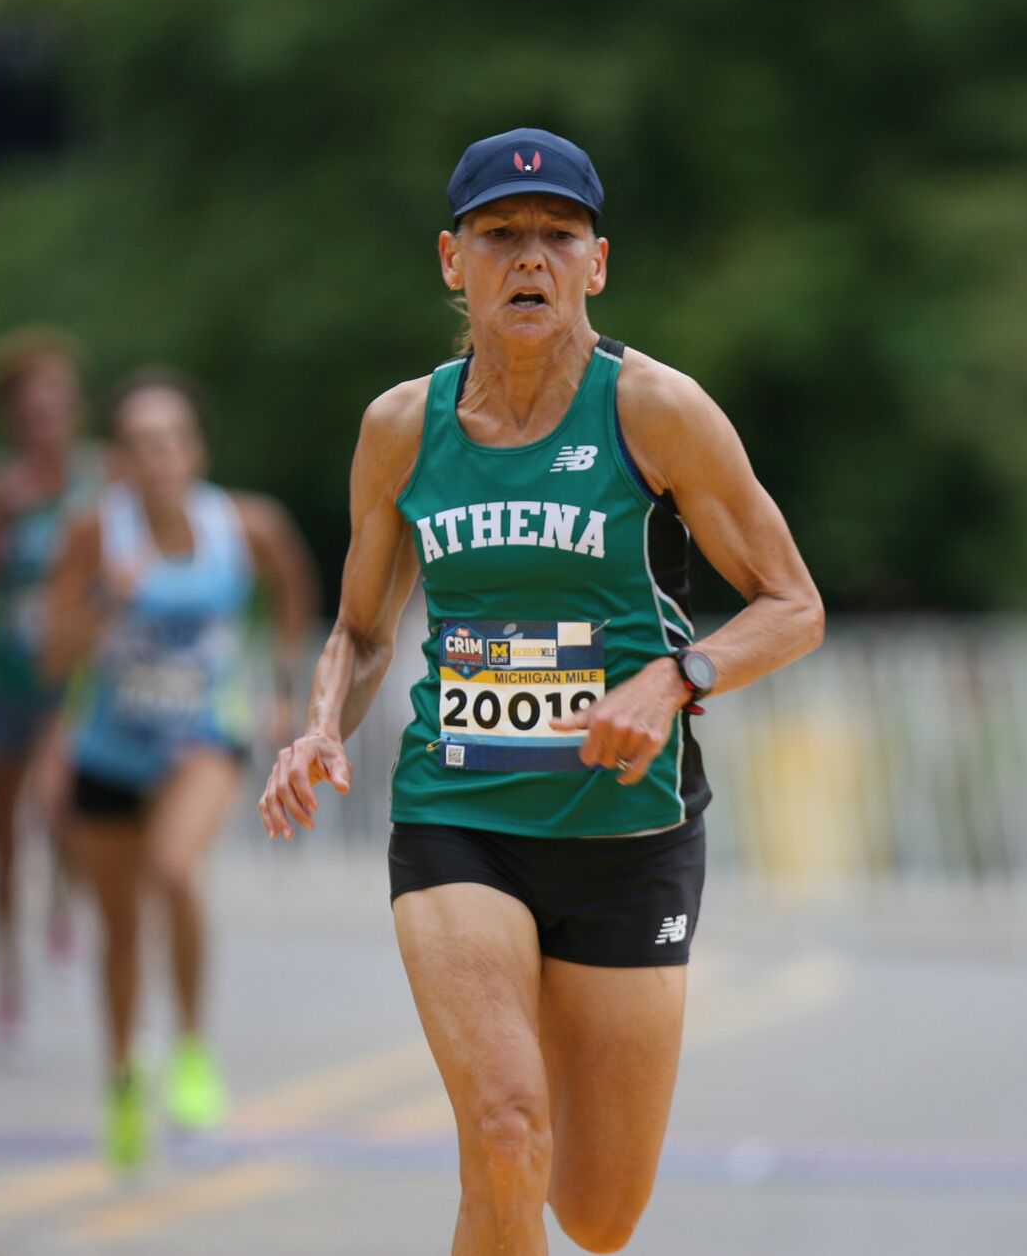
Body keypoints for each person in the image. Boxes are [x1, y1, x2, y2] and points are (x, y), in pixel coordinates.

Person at [258, 128, 823, 1254]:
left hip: (625, 828)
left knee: (599, 1214)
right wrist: (320, 724)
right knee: (506, 1128)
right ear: (450, 260)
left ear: (595, 264)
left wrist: (673, 680)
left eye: (556, 237)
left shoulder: (652, 411)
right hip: (458, 817)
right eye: (499, 236)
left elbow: (792, 604)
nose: (529, 259)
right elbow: (362, 629)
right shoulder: (401, 429)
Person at [44, 370, 317, 1169]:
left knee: (173, 869)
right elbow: (52, 652)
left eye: (169, 441)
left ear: (194, 448)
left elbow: (294, 591)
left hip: (204, 734)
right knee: (121, 928)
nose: (156, 458)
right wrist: (103, 600)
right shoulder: (96, 531)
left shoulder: (245, 523)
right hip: (111, 747)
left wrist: (278, 690)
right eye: (137, 444)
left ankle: (194, 1048)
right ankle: (125, 1076)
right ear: (118, 458)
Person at [0, 326, 106, 1053]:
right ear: (11, 415)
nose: (45, 416)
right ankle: (8, 980)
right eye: (31, 405)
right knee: (4, 844)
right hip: (4, 679)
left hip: (69, 679)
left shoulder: (102, 480)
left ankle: (65, 913)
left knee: (59, 799)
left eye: (57, 402)